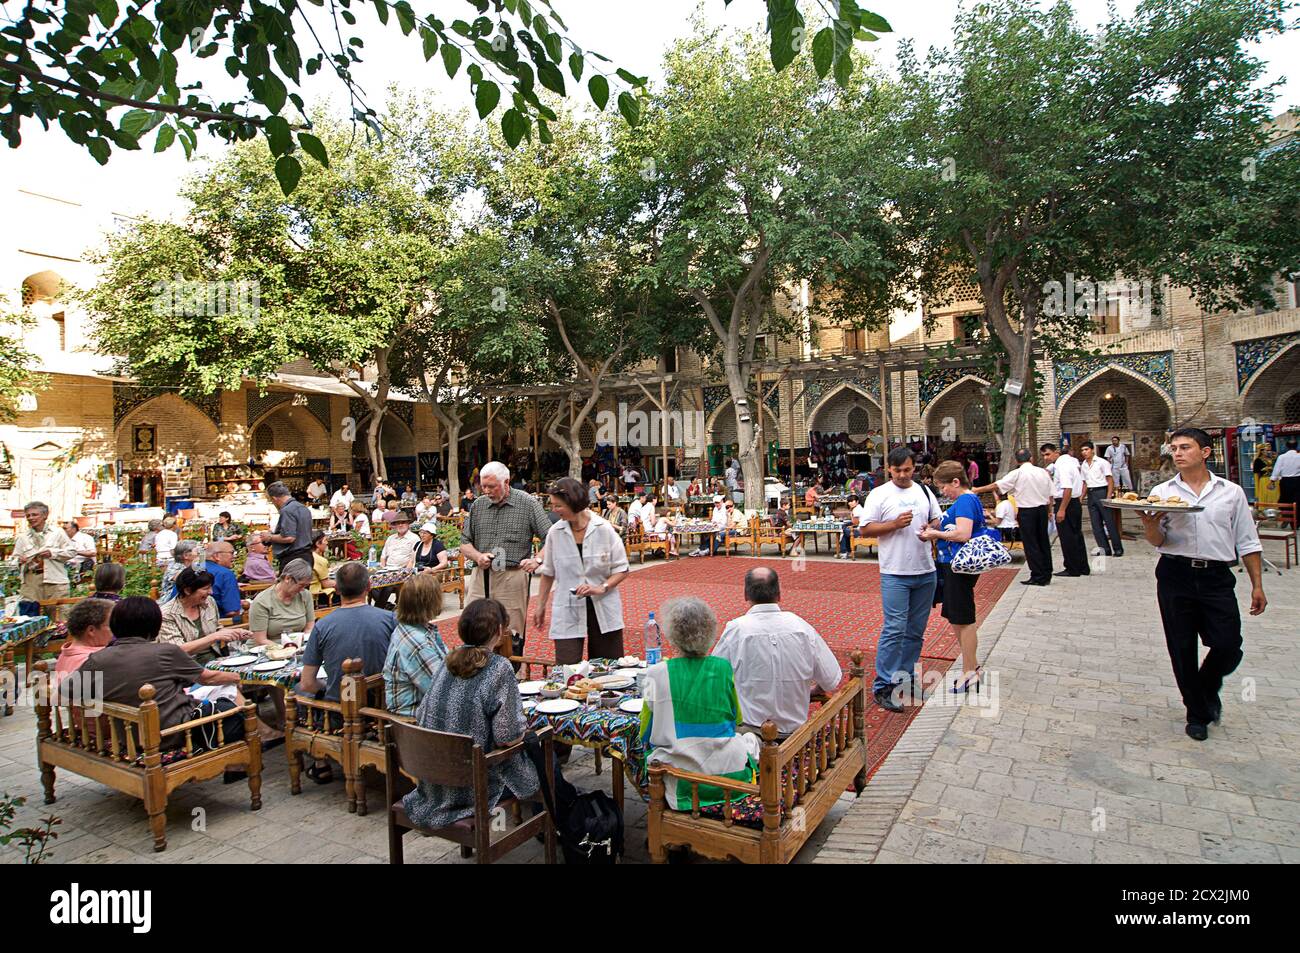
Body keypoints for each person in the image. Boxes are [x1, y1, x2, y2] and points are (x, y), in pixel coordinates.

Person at [1139, 428, 1266, 741]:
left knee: (1227, 645)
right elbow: (1158, 541)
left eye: (1186, 447)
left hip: (1216, 576)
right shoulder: (1164, 491)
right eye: (1175, 449)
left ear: (1206, 452)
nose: (1178, 454)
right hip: (1175, 573)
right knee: (1181, 648)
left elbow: (1248, 541)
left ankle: (1206, 687)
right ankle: (1197, 712)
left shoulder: (1230, 492)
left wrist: (1257, 585)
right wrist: (1150, 526)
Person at [400, 598, 540, 829]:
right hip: (475, 785)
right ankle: (557, 826)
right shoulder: (498, 667)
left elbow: (423, 713)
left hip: (433, 781)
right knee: (543, 753)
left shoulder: (447, 661)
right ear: (499, 630)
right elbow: (508, 737)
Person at [64, 597, 246, 751]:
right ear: (154, 625)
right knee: (234, 706)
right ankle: (238, 765)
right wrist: (241, 676)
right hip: (172, 734)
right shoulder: (165, 652)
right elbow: (208, 678)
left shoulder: (98, 659)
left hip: (126, 736)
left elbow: (68, 691)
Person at [640, 597, 759, 810]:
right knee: (749, 738)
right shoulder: (723, 669)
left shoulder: (654, 674)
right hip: (730, 776)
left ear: (671, 636)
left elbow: (645, 733)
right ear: (710, 631)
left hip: (682, 781)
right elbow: (735, 721)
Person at [711, 568, 842, 737]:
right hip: (796, 736)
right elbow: (831, 680)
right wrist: (815, 689)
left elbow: (712, 680)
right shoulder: (801, 627)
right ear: (779, 595)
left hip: (752, 735)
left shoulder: (736, 629)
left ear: (745, 595)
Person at [860, 448, 941, 712]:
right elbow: (866, 528)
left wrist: (931, 530)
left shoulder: (924, 491)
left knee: (915, 631)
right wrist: (894, 524)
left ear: (913, 467)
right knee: (894, 629)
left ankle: (905, 679)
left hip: (925, 570)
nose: (903, 475)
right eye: (898, 471)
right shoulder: (879, 494)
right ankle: (883, 685)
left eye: (907, 470)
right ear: (889, 469)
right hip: (895, 572)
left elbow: (936, 519)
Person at [532, 477, 629, 664]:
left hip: (603, 603)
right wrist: (540, 605)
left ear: (573, 503)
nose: (554, 510)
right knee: (567, 666)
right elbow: (548, 572)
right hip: (567, 605)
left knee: (608, 667)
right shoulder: (555, 532)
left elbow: (622, 568)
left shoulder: (603, 529)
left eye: (558, 506)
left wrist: (602, 587)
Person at [459, 461, 551, 652]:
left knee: (511, 631)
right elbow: (464, 543)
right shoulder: (478, 505)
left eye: (491, 486)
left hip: (512, 575)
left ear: (506, 482)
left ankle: (511, 674)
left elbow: (552, 537)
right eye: (483, 486)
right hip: (481, 575)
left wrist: (537, 560)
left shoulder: (527, 503)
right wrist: (477, 556)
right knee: (473, 626)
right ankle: (475, 672)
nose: (486, 491)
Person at [919, 461, 987, 693]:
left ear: (956, 482)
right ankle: (971, 666)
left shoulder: (966, 500)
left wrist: (934, 534)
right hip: (953, 567)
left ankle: (970, 671)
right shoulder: (966, 500)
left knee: (963, 619)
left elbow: (963, 533)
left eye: (943, 487)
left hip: (959, 567)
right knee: (957, 617)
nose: (943, 492)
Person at [974, 449, 1055, 586]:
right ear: (1031, 459)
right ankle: (1046, 572)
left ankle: (1038, 575)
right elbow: (1051, 494)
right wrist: (1050, 510)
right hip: (1042, 510)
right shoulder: (1042, 472)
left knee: (1031, 543)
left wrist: (977, 489)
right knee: (1043, 541)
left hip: (1027, 511)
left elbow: (997, 485)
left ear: (1017, 461)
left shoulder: (1017, 473)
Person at [382, 572, 449, 718]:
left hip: (423, 709)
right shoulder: (418, 643)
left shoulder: (410, 628)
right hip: (413, 720)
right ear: (432, 602)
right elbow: (443, 690)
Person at [159, 568, 251, 663]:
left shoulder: (209, 601)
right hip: (186, 667)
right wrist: (214, 637)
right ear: (188, 590)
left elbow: (217, 629)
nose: (211, 592)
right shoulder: (167, 614)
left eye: (211, 587)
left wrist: (235, 633)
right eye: (206, 588)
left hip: (215, 659)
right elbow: (177, 650)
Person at [13, 501, 75, 612]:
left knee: (58, 615)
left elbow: (71, 551)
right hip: (31, 583)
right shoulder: (22, 537)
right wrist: (19, 560)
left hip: (55, 581)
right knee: (30, 617)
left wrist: (52, 553)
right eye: (28, 515)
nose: (31, 518)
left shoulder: (58, 533)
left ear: (45, 516)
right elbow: (13, 560)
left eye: (34, 514)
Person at [1041, 443, 1089, 576]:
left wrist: (1061, 509)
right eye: (1044, 455)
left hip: (1066, 502)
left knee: (1067, 537)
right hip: (1073, 502)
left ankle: (1072, 568)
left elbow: (1067, 488)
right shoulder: (1070, 461)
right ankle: (1082, 567)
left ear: (1056, 452)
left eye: (1048, 454)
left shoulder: (1062, 466)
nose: (1046, 458)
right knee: (1076, 535)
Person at [52, 597, 115, 690]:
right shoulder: (93, 661)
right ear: (91, 630)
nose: (115, 628)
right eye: (111, 625)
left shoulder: (66, 654)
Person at [248, 559, 315, 644]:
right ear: (287, 578)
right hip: (267, 648)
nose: (302, 590)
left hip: (296, 646)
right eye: (301, 585)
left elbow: (309, 627)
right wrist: (286, 649)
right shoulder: (262, 601)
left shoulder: (305, 595)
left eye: (306, 586)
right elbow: (260, 639)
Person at [1080, 440, 1123, 557]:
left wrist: (1108, 496)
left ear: (1092, 450)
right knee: (1095, 524)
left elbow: (1110, 480)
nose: (1084, 452)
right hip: (1091, 493)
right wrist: (1081, 497)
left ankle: (1118, 548)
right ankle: (1104, 548)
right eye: (1082, 450)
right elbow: (1084, 483)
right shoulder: (1083, 465)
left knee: (1109, 522)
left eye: (1086, 449)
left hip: (1102, 491)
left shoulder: (1102, 462)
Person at [264, 481, 314, 570]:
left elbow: (289, 537)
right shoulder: (303, 508)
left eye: (272, 501)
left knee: (290, 583)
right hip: (307, 555)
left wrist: (269, 537)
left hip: (293, 558)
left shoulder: (287, 510)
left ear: (275, 498)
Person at [203, 541, 245, 618]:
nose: (234, 556)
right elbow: (232, 612)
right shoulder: (225, 574)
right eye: (232, 553)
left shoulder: (191, 570)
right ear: (217, 556)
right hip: (217, 624)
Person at [158, 539, 202, 605]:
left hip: (183, 601)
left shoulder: (191, 567)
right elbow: (188, 582)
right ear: (186, 555)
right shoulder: (175, 568)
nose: (200, 554)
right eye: (197, 552)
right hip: (170, 604)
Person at [1268, 438, 1300, 507]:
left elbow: (1277, 469)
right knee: (1297, 499)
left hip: (1285, 481)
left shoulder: (1282, 457)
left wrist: (1272, 481)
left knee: (1285, 498)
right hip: (1298, 480)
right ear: (1296, 446)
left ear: (1287, 447)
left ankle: (1286, 515)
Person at [836, 493, 867, 559]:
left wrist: (846, 524)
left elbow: (855, 522)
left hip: (861, 531)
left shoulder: (857, 509)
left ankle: (844, 552)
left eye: (852, 501)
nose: (850, 503)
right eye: (849, 501)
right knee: (845, 534)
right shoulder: (858, 508)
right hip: (861, 529)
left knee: (844, 530)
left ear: (857, 501)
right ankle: (846, 552)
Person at [309, 530, 332, 595]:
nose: (327, 543)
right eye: (325, 540)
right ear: (318, 544)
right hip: (317, 593)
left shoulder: (306, 555)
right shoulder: (320, 560)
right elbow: (325, 583)